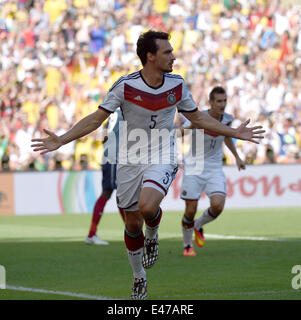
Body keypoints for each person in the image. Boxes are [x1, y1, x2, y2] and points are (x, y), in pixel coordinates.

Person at [31, 30, 264, 300]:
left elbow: (198, 118)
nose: (173, 56)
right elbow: (96, 119)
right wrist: (61, 139)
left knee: (147, 207)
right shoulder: (125, 86)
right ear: (150, 57)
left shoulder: (176, 84)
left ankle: (152, 233)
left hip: (163, 154)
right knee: (131, 224)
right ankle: (139, 277)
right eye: (167, 52)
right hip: (129, 160)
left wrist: (234, 133)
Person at [180, 86, 246, 257]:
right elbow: (179, 133)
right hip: (194, 165)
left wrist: (237, 156)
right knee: (190, 210)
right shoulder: (199, 117)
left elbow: (226, 137)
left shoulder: (228, 119)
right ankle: (187, 245)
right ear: (211, 102)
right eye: (219, 101)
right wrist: (192, 126)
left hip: (214, 167)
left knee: (217, 206)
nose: (222, 104)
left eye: (224, 101)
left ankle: (198, 225)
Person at [86, 108, 126, 245]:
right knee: (115, 193)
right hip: (115, 157)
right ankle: (132, 233)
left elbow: (103, 137)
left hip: (110, 156)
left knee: (116, 194)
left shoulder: (112, 114)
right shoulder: (126, 112)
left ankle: (132, 232)